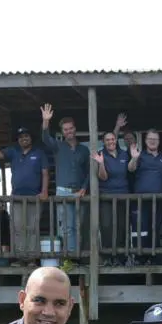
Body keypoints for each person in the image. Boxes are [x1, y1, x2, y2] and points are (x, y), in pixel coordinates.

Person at [0, 122, 49, 266]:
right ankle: (19, 258)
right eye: (21, 137)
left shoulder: (39, 152)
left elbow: (45, 173)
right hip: (16, 197)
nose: (24, 139)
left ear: (30, 138)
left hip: (35, 197)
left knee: (32, 228)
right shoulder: (13, 151)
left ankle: (32, 259)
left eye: (26, 136)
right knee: (17, 228)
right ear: (18, 140)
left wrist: (44, 191)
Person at [40, 104, 91, 259]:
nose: (69, 131)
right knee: (67, 228)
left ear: (75, 129)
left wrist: (84, 187)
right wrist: (46, 121)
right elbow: (45, 138)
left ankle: (80, 257)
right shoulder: (58, 146)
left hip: (79, 192)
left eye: (71, 128)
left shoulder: (84, 149)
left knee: (80, 226)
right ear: (62, 132)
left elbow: (90, 171)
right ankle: (70, 258)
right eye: (65, 129)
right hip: (62, 191)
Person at [129, 129, 162, 261]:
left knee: (155, 227)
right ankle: (140, 257)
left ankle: (155, 256)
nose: (152, 141)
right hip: (141, 200)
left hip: (158, 199)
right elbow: (131, 168)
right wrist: (134, 158)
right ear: (146, 141)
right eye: (150, 139)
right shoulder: (140, 155)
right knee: (141, 228)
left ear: (159, 141)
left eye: (155, 139)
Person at [94, 130, 132, 265]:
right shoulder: (100, 154)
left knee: (122, 226)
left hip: (123, 195)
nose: (111, 142)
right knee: (106, 226)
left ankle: (120, 257)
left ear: (116, 140)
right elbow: (103, 177)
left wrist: (134, 158)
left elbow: (131, 171)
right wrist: (101, 163)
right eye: (107, 140)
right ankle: (108, 257)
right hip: (106, 196)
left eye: (113, 139)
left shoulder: (124, 154)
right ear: (103, 142)